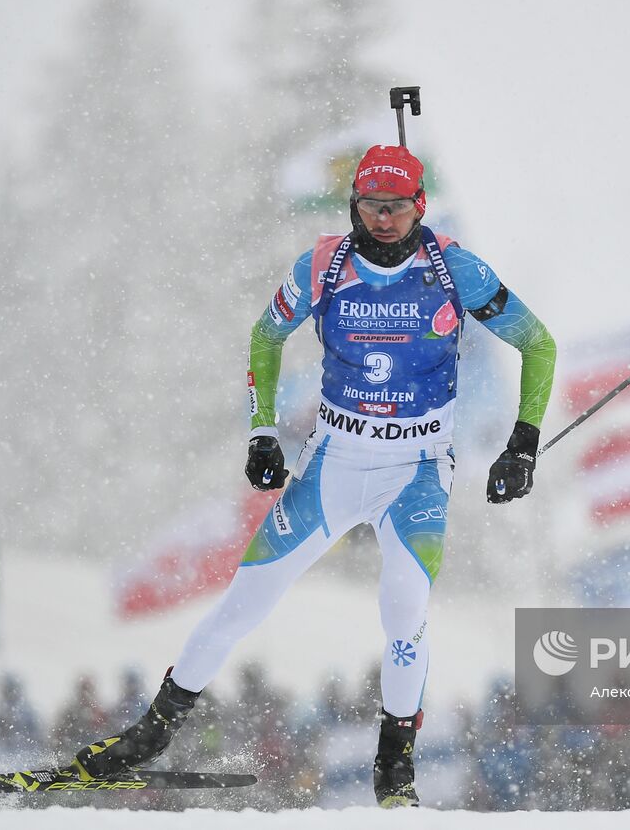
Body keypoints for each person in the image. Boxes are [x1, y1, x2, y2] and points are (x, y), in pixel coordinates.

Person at [72, 143, 557, 807]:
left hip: (415, 471)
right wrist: (262, 431)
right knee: (242, 605)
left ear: (420, 206)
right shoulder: (324, 266)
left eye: (395, 208)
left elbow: (538, 342)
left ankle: (395, 770)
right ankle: (151, 735)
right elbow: (265, 337)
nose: (381, 220)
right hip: (334, 464)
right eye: (368, 206)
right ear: (352, 204)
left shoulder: (453, 269)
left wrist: (522, 445)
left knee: (404, 609)